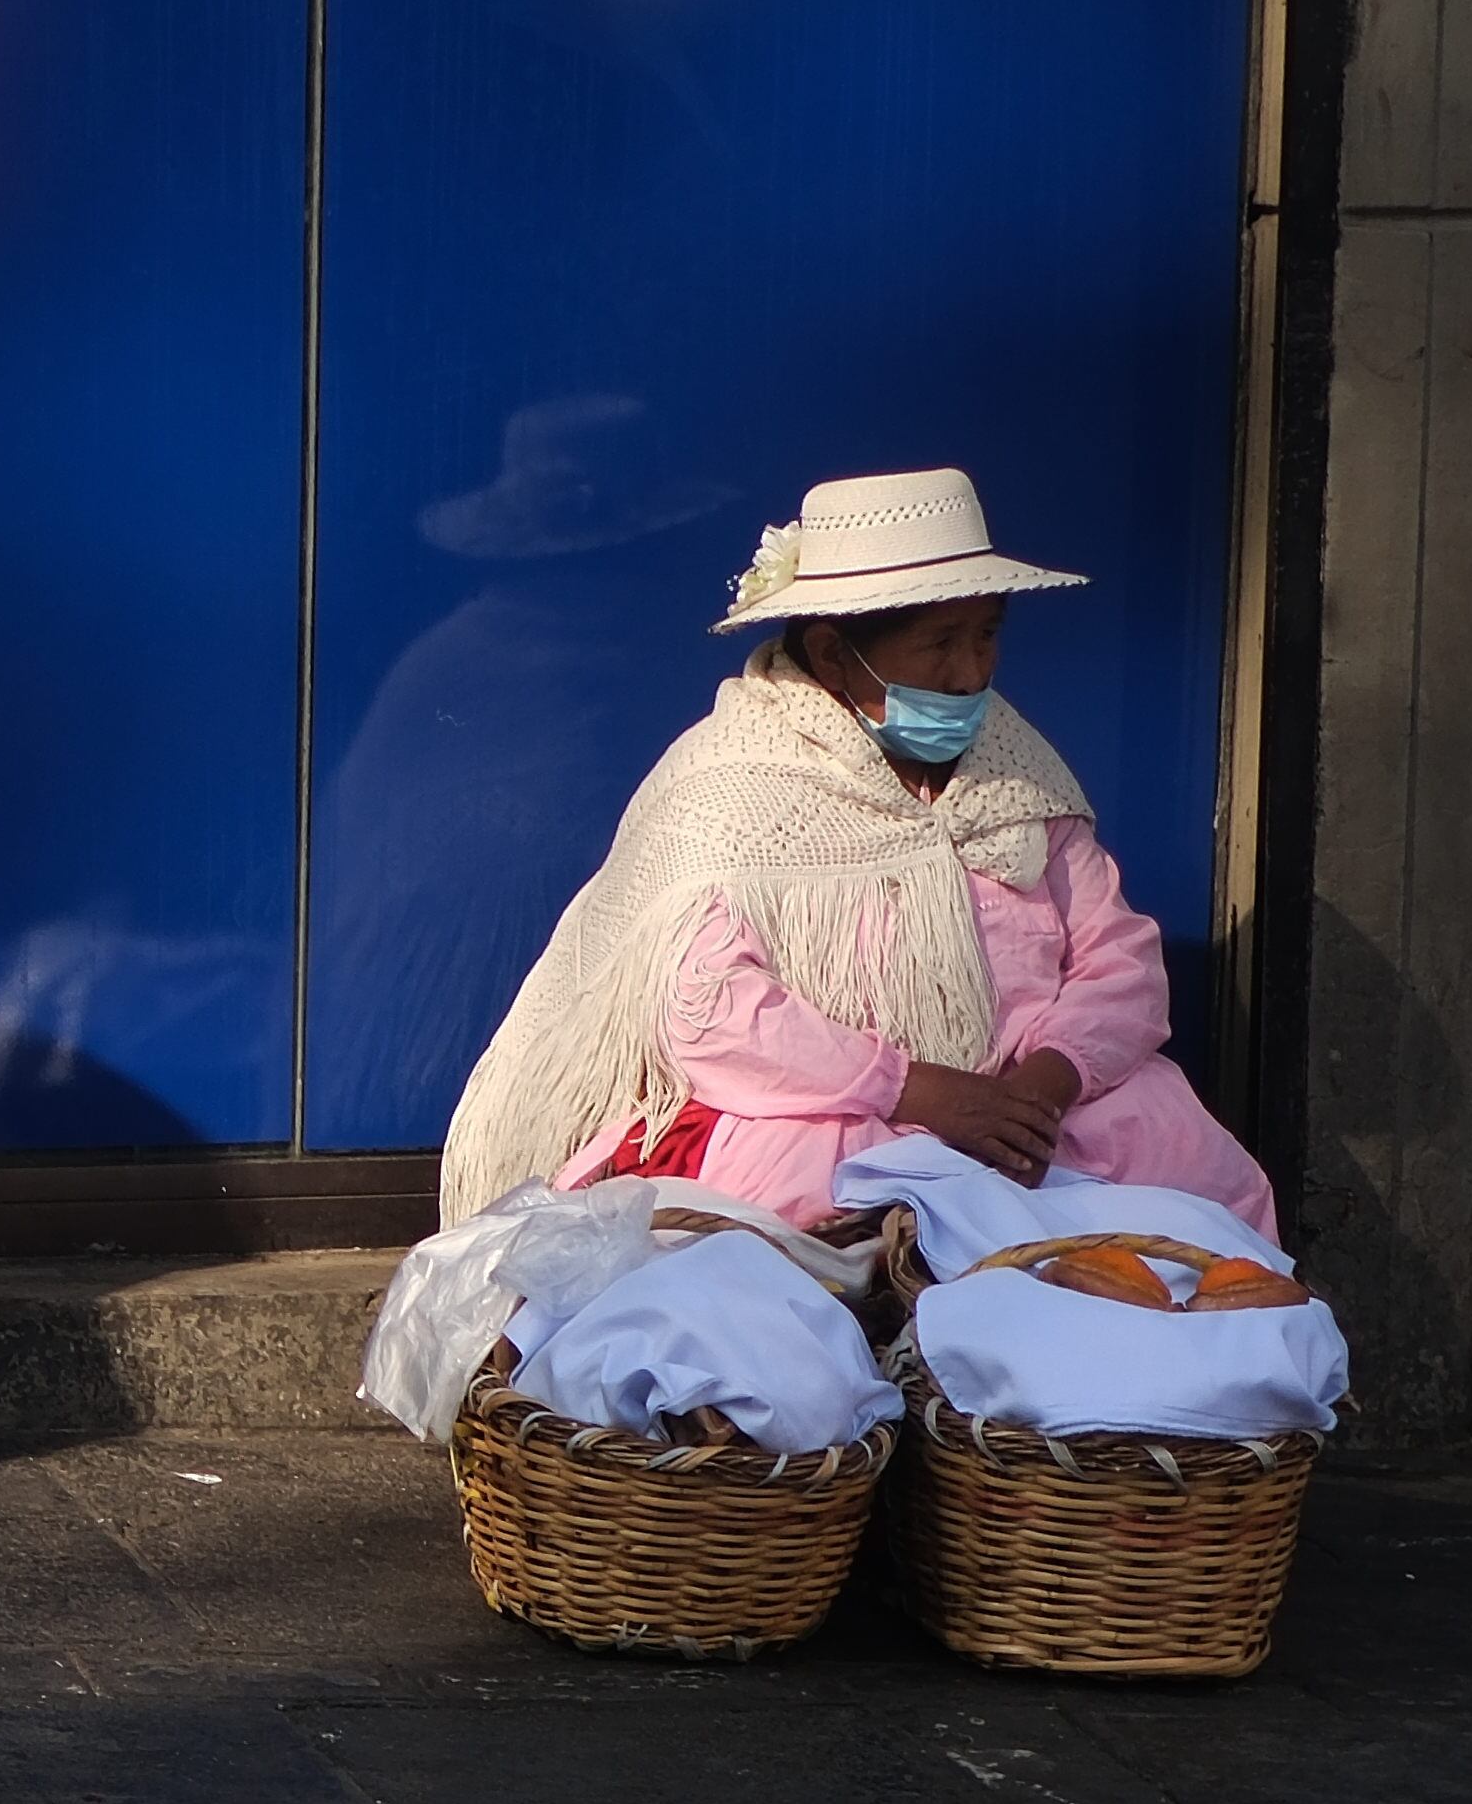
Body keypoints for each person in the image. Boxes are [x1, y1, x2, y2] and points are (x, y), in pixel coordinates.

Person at [439, 466, 1275, 1236]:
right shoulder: (732, 784)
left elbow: (1118, 957)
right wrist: (918, 1092)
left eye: (986, 637)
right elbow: (708, 1008)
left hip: (1035, 1115)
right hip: (824, 1117)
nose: (969, 673)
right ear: (836, 652)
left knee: (1191, 1179)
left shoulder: (1018, 778)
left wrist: (1044, 1085)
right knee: (805, 1239)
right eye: (939, 644)